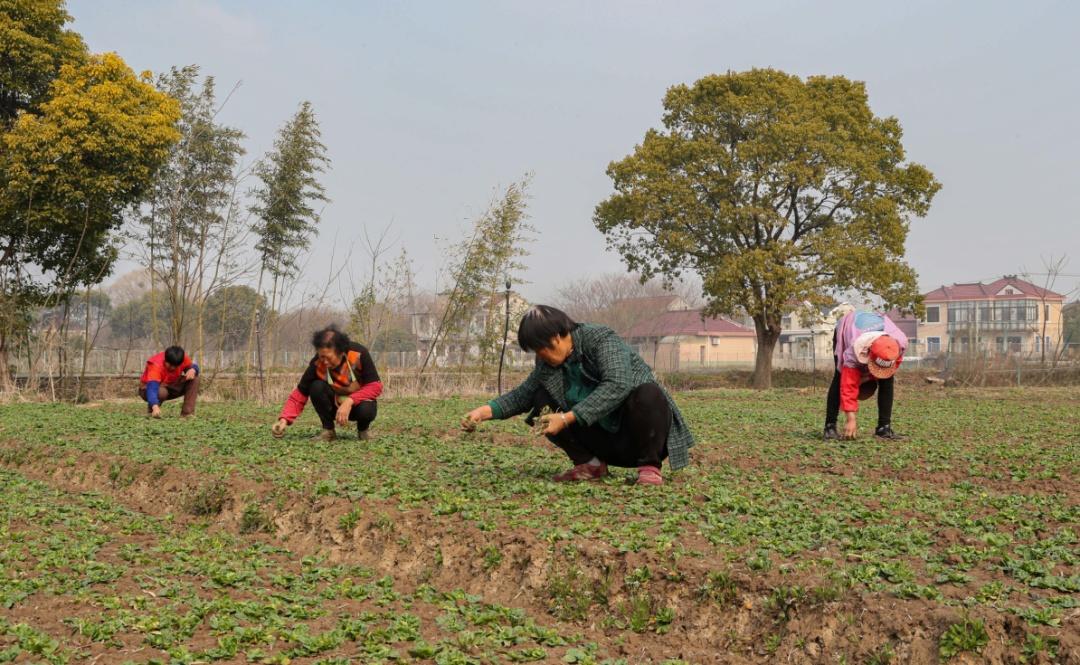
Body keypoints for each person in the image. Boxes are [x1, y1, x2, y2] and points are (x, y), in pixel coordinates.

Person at [461, 305, 694, 486]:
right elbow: (524, 394)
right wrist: (483, 412)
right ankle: (590, 464)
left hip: (634, 437)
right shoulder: (547, 365)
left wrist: (566, 418)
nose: (540, 357)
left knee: (648, 393)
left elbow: (617, 385)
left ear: (557, 337)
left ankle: (649, 469)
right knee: (541, 399)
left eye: (541, 350)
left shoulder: (601, 339)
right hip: (603, 441)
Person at [271, 325, 382, 441]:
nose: (324, 361)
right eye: (321, 356)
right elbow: (300, 393)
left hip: (358, 406)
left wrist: (349, 401)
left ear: (340, 352)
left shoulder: (359, 353)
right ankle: (328, 431)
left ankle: (363, 430)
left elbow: (375, 386)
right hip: (334, 406)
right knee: (316, 387)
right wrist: (284, 420)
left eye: (328, 357)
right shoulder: (317, 363)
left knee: (367, 410)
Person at [823, 309, 908, 441]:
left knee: (887, 379)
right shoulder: (853, 352)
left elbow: (891, 367)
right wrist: (851, 419)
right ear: (868, 356)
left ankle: (884, 428)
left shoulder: (900, 344)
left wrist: (872, 375)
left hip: (877, 332)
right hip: (848, 327)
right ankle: (830, 427)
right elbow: (848, 386)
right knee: (840, 377)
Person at [139, 345, 199, 418]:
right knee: (162, 392)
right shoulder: (156, 365)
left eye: (176, 366)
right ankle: (152, 411)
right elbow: (152, 388)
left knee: (194, 379)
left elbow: (193, 366)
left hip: (171, 385)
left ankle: (187, 414)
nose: (173, 368)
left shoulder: (181, 358)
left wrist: (193, 370)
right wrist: (154, 406)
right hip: (148, 389)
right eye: (170, 365)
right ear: (165, 359)